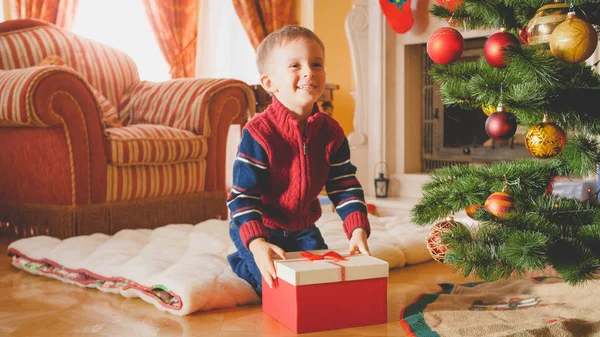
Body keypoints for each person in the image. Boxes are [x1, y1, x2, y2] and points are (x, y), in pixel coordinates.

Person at [227, 25, 371, 295]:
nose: (309, 72)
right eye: (295, 65)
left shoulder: (331, 132)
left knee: (321, 286)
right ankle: (241, 260)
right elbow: (243, 196)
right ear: (270, 83)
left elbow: (344, 184)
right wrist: (256, 243)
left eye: (316, 64)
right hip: (261, 227)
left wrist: (357, 230)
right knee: (275, 288)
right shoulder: (259, 133)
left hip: (303, 228)